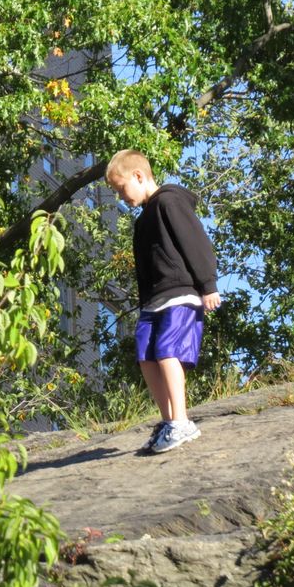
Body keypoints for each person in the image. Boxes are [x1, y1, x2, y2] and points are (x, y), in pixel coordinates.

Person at [104, 149, 221, 453]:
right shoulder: (142, 221)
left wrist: (208, 285)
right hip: (153, 302)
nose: (121, 196)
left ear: (139, 176)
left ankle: (182, 421)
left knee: (168, 351)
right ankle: (169, 421)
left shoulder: (170, 201)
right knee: (146, 356)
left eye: (121, 188)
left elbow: (195, 241)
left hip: (180, 294)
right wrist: (144, 304)